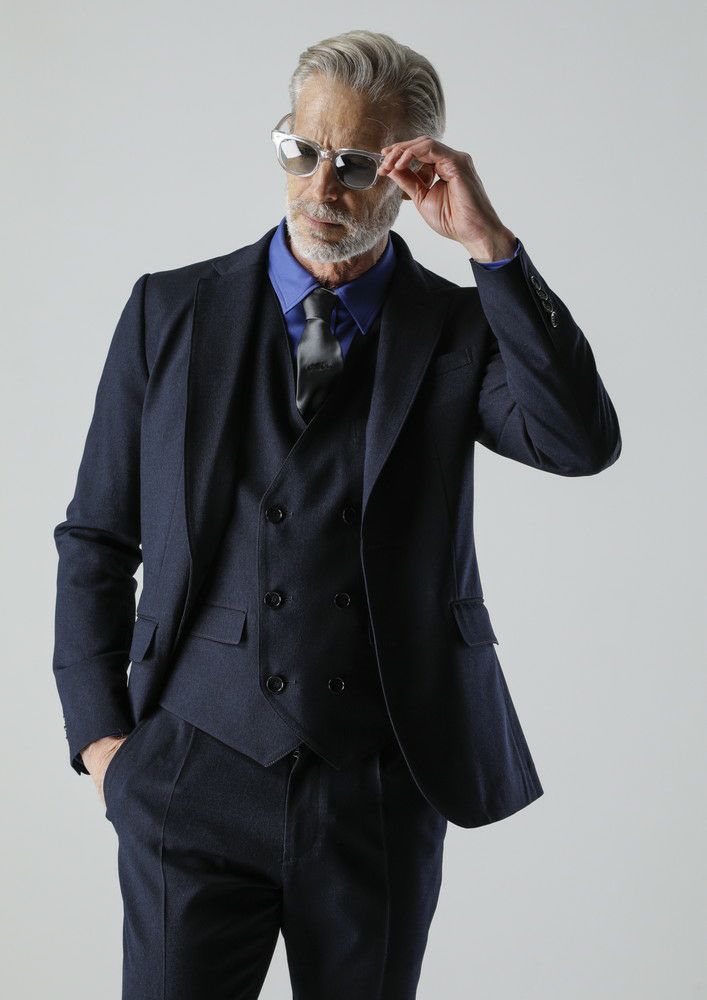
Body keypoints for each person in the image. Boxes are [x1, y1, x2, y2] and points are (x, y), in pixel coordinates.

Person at [52, 28, 621, 1000]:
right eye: (301, 150)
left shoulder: (454, 330)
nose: (321, 186)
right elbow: (97, 537)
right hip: (188, 771)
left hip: (376, 787)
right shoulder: (168, 310)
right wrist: (102, 742)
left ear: (409, 175)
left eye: (356, 164)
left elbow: (577, 441)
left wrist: (490, 247)